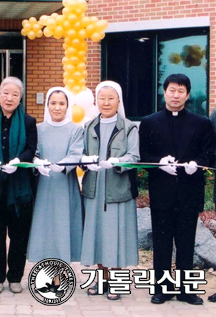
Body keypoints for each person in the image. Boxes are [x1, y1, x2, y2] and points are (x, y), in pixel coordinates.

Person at [139, 73, 215, 305]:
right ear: (164, 92)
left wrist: (197, 164)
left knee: (186, 242)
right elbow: (144, 156)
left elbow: (209, 152)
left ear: (188, 94)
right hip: (161, 191)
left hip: (189, 191)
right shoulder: (149, 122)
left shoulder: (201, 122)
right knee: (161, 242)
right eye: (172, 90)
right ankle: (162, 288)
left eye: (181, 91)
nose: (175, 95)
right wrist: (160, 163)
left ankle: (186, 290)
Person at [80, 80, 139, 301]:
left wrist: (116, 161)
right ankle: (100, 279)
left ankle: (118, 282)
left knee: (117, 237)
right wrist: (85, 162)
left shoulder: (129, 127)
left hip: (118, 190)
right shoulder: (89, 126)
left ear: (118, 101)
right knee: (97, 236)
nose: (106, 103)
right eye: (102, 98)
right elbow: (81, 154)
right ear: (96, 101)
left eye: (110, 98)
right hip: (94, 190)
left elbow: (134, 157)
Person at [0, 77, 36, 294]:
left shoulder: (29, 121)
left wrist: (18, 161)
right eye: (6, 93)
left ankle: (15, 276)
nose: (9, 98)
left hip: (20, 188)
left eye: (14, 94)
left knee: (19, 234)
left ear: (20, 97)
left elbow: (31, 149)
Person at [27, 87, 83, 264]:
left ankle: (61, 266)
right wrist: (36, 161)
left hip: (65, 185)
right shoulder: (38, 128)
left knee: (63, 226)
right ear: (47, 105)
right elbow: (32, 151)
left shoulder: (76, 129)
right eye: (53, 103)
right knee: (44, 227)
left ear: (67, 106)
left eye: (61, 103)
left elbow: (76, 152)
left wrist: (63, 164)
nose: (57, 107)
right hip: (44, 186)